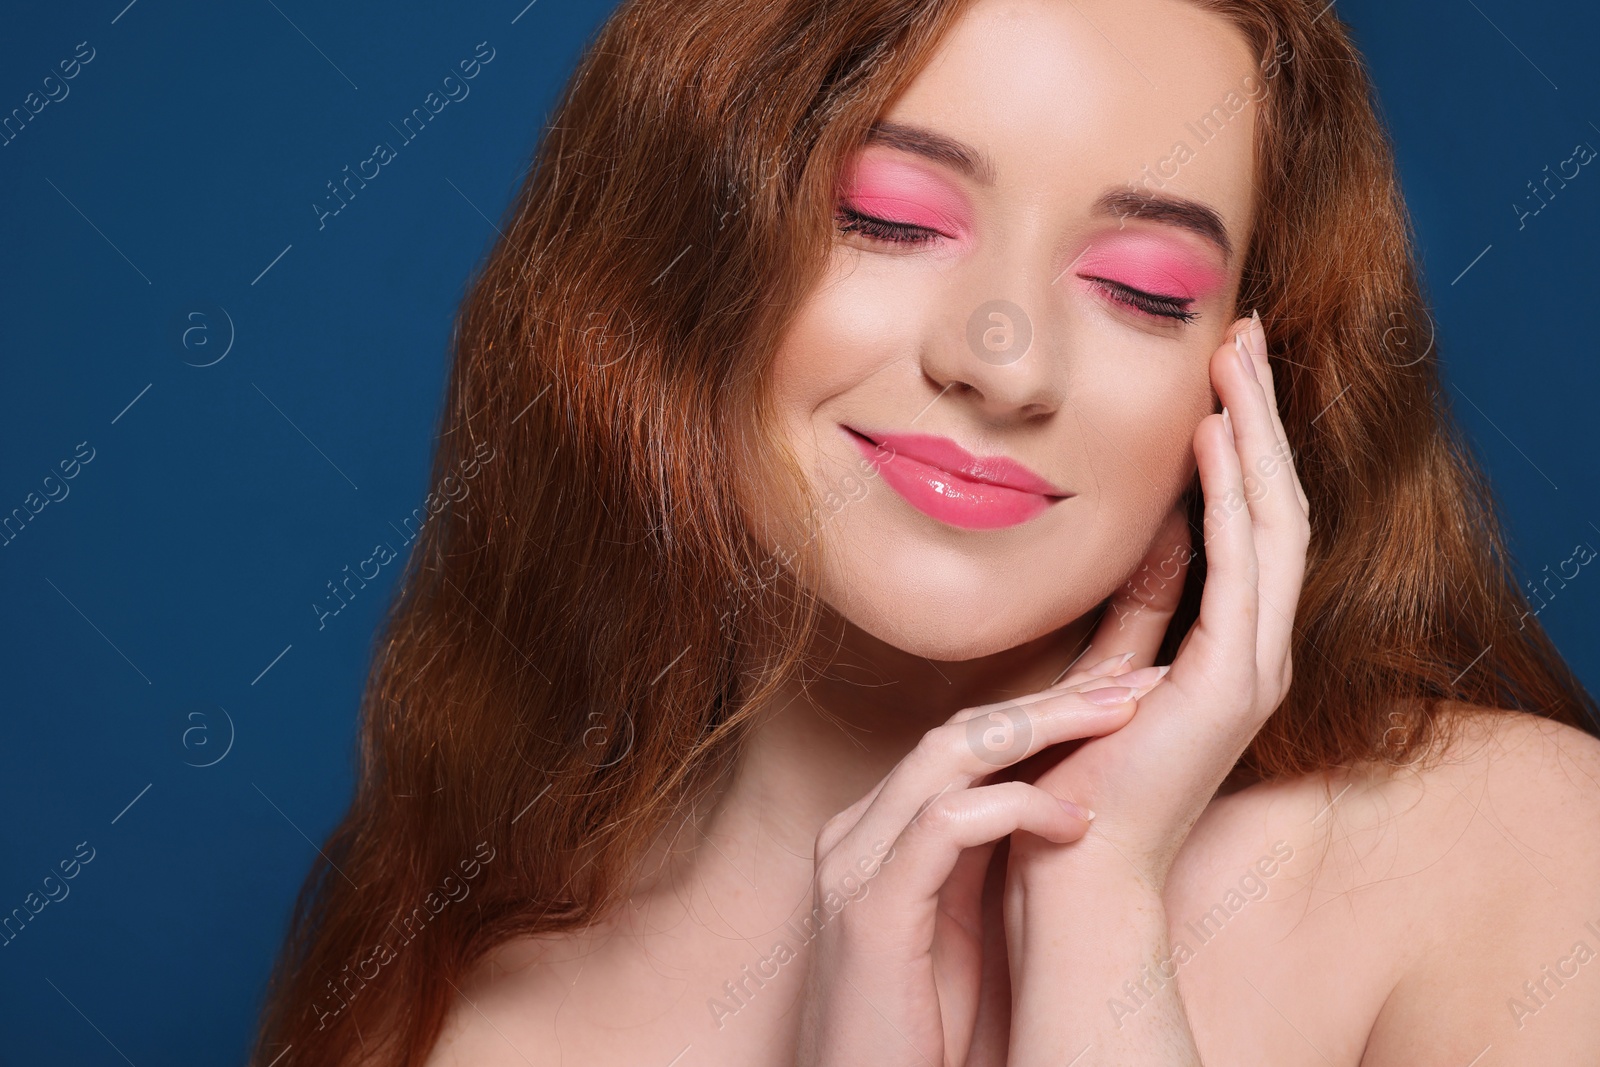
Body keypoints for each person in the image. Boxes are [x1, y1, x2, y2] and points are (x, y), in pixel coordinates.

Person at [251, 0, 1600, 1063]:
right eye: (892, 219)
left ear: (1255, 377)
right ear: (680, 263)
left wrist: (1091, 932)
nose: (1003, 359)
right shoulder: (455, 1011)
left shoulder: (1507, 863)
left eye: (1142, 289)